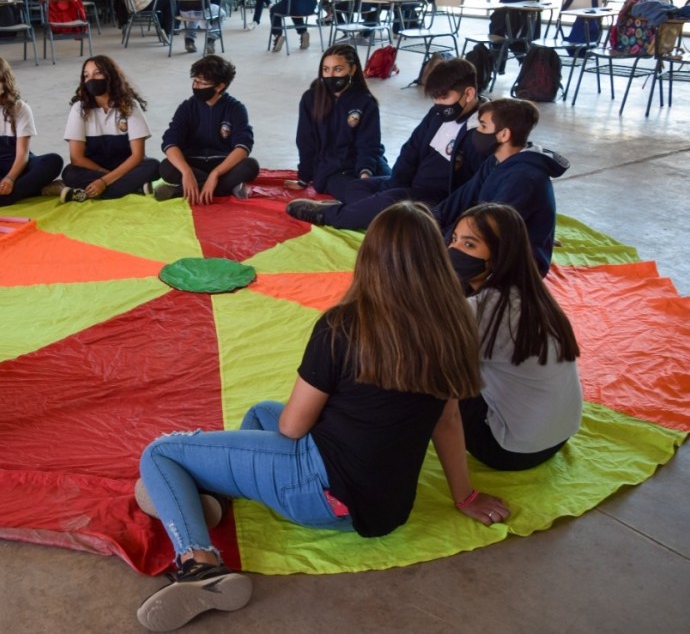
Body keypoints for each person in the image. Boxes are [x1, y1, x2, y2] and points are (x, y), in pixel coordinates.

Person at [134, 201, 510, 631]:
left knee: (161, 454)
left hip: (321, 493)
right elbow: (447, 420)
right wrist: (465, 495)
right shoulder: (456, 322)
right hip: (386, 507)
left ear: (369, 259)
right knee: (259, 413)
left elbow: (294, 427)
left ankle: (200, 565)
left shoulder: (346, 324)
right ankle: (215, 495)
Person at [448, 203, 583, 470]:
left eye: (470, 245)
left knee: (426, 383)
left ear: (499, 255)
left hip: (509, 449)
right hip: (557, 436)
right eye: (454, 240)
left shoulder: (484, 309)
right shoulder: (533, 293)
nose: (453, 250)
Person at [287, 58, 483, 229]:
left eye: (444, 98)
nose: (438, 104)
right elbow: (411, 150)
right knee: (358, 187)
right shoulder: (436, 114)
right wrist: (393, 184)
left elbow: (475, 185)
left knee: (388, 202)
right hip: (410, 184)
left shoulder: (483, 130)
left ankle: (328, 215)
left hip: (434, 198)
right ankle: (368, 212)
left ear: (469, 93)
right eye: (435, 99)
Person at [433, 98, 569, 276]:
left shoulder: (524, 178)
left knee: (429, 272)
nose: (477, 132)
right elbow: (464, 196)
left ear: (504, 134)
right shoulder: (496, 161)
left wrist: (445, 247)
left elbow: (490, 231)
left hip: (516, 265)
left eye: (483, 126)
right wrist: (430, 221)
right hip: (481, 243)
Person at [285, 43, 388, 202]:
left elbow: (369, 144)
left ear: (352, 70)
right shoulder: (310, 99)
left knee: (398, 191)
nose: (331, 75)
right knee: (364, 198)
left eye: (338, 69)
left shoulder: (365, 102)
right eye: (326, 69)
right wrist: (304, 178)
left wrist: (365, 175)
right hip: (332, 170)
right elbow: (305, 142)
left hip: (366, 163)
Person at [0, 56, 64, 212]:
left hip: (19, 163)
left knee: (54, 161)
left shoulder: (20, 108)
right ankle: (38, 189)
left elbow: (23, 153)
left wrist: (10, 178)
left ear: (5, 82)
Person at [156, 55, 259, 204]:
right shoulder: (187, 107)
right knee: (165, 167)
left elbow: (243, 147)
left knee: (250, 166)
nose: (195, 86)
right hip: (192, 163)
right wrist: (186, 172)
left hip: (223, 165)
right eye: (195, 81)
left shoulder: (235, 108)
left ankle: (179, 191)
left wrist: (215, 174)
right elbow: (170, 142)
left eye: (202, 83)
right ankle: (226, 188)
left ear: (219, 86)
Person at [60, 55, 159, 202]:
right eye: (86, 76)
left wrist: (104, 182)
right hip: (95, 168)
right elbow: (76, 157)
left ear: (111, 76)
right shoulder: (79, 109)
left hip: (126, 166)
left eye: (97, 73)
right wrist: (105, 175)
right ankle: (133, 188)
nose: (91, 79)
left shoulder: (130, 105)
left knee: (154, 166)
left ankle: (86, 192)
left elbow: (137, 156)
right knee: (69, 173)